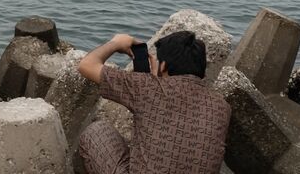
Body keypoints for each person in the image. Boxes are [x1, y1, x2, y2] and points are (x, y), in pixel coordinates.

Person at [76, 30, 230, 174]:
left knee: (96, 131)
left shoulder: (148, 87)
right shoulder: (221, 106)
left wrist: (116, 43)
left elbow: (87, 65)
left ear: (163, 66)